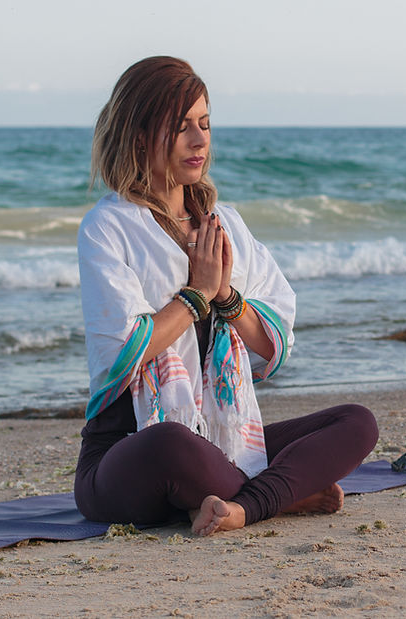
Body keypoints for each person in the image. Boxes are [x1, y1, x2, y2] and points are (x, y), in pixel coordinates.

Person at [74, 56, 378, 536]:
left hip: (227, 446)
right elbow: (122, 351)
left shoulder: (225, 223)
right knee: (170, 443)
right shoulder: (108, 227)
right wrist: (196, 295)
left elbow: (273, 342)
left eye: (205, 124)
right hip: (128, 453)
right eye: (181, 128)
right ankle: (277, 497)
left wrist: (227, 300)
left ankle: (235, 505)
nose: (199, 141)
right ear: (138, 135)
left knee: (356, 422)